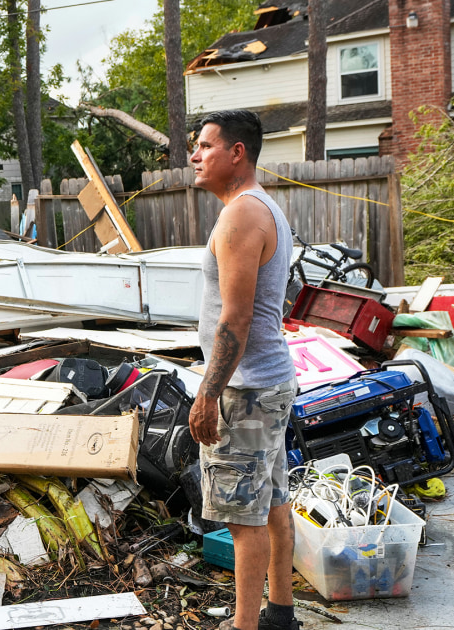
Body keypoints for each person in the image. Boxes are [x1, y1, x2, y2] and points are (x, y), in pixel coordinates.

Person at [188, 110, 300, 630]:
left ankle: (245, 626)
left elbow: (236, 317)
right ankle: (280, 614)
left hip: (247, 389)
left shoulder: (241, 216)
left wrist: (209, 393)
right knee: (273, 500)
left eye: (206, 146)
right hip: (265, 382)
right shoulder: (262, 208)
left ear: (237, 153)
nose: (195, 155)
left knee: (241, 518)